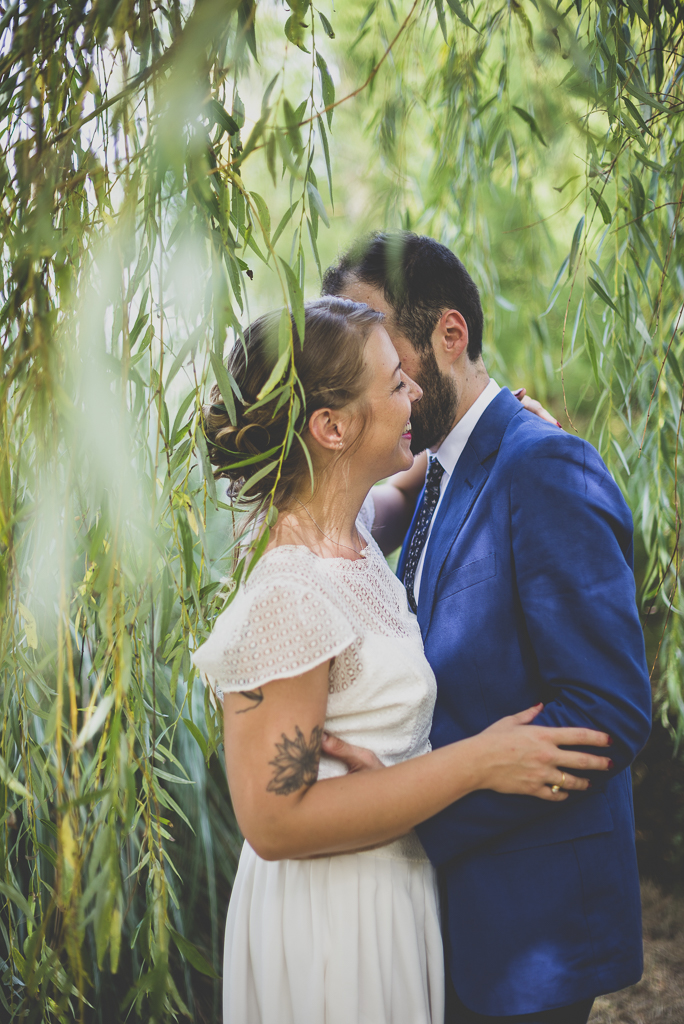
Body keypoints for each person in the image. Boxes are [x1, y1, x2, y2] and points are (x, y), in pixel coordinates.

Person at [192, 297, 613, 1024]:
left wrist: (515, 438)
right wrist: (479, 762)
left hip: (389, 895)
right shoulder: (289, 594)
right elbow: (273, 823)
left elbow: (419, 484)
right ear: (331, 427)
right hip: (333, 921)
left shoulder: (350, 528)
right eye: (394, 384)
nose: (414, 391)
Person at [321, 233, 653, 1024]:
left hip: (528, 929)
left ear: (450, 335)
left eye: (378, 343)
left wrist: (417, 806)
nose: (367, 371)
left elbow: (607, 712)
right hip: (447, 922)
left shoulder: (542, 469)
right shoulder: (435, 472)